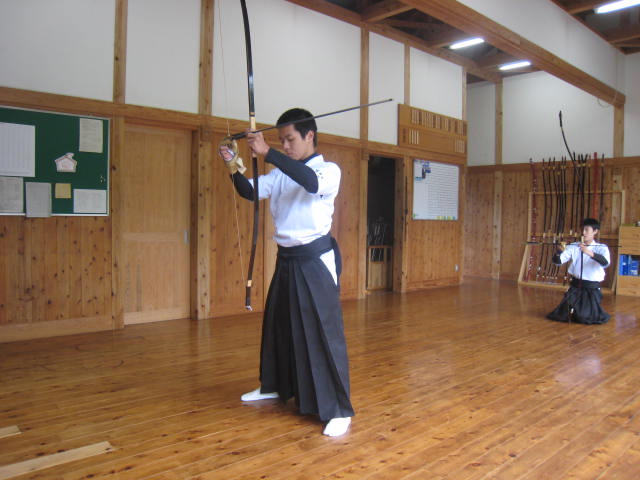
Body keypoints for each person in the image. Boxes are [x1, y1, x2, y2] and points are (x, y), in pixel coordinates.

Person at [219, 108, 354, 437]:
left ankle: (337, 409)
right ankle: (275, 386)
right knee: (279, 326)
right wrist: (232, 164)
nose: (286, 145)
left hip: (315, 260)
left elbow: (309, 182)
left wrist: (268, 152)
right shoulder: (280, 173)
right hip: (287, 260)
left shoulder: (328, 171)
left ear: (310, 135)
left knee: (322, 333)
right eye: (281, 140)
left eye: (290, 139)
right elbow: (249, 191)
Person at [546, 218, 610, 324]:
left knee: (584, 317)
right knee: (563, 315)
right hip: (575, 286)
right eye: (582, 229)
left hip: (591, 287)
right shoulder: (574, 246)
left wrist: (588, 252)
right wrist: (558, 253)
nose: (583, 233)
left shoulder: (601, 248)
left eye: (587, 230)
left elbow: (605, 263)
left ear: (595, 231)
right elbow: (558, 262)